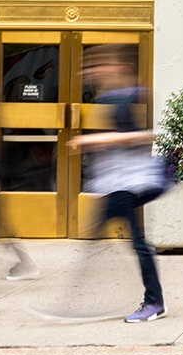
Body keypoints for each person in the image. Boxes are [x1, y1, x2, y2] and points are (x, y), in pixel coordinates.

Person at [69, 45, 168, 322]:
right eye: (89, 68)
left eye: (97, 66)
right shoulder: (111, 98)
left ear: (117, 67)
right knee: (115, 238)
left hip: (129, 181)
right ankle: (151, 301)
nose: (89, 72)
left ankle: (153, 302)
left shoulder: (127, 99)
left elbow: (138, 137)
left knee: (132, 241)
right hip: (118, 181)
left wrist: (91, 140)